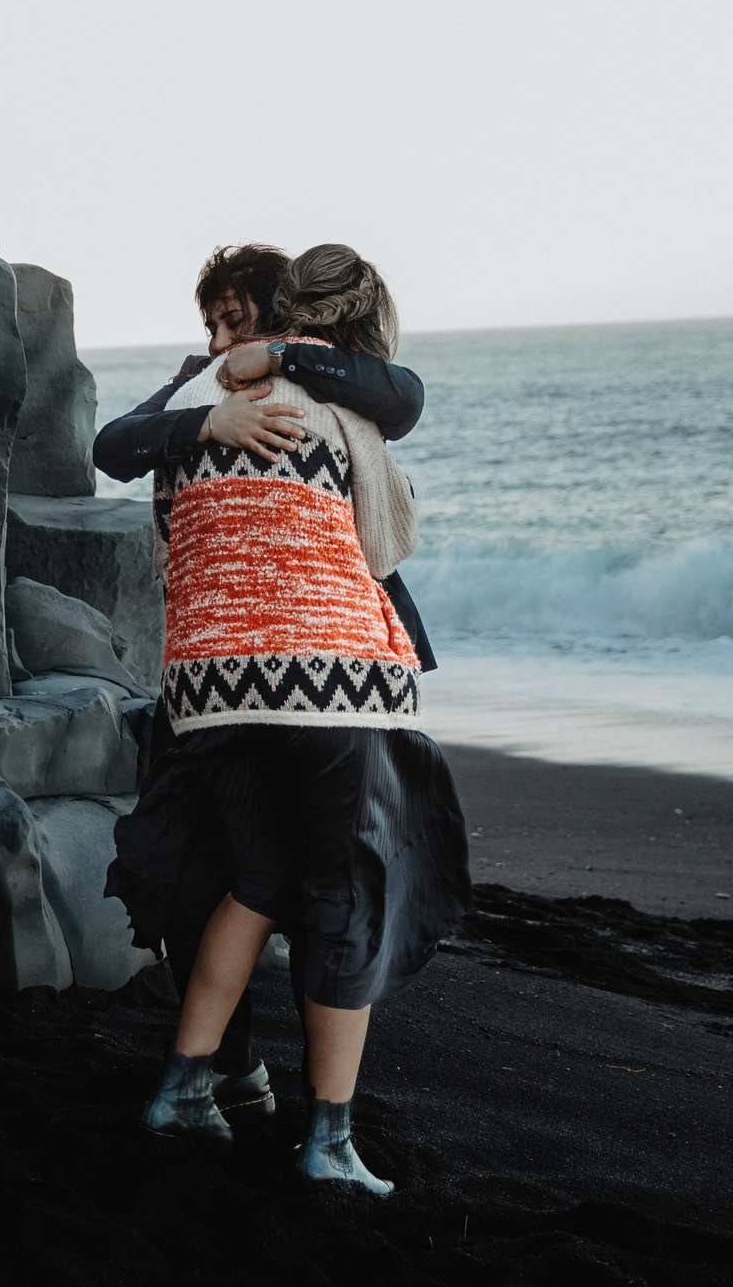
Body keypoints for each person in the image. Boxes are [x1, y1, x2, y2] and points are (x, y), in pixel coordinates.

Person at [109, 244, 471, 1195]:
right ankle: (330, 1140)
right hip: (324, 681)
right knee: (344, 891)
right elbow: (385, 518)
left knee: (260, 878)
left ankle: (185, 1090)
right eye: (214, 326)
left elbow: (127, 461)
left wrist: (226, 393)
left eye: (239, 322)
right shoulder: (336, 409)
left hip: (207, 685)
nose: (223, 340)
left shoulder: (189, 430)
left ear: (280, 318)